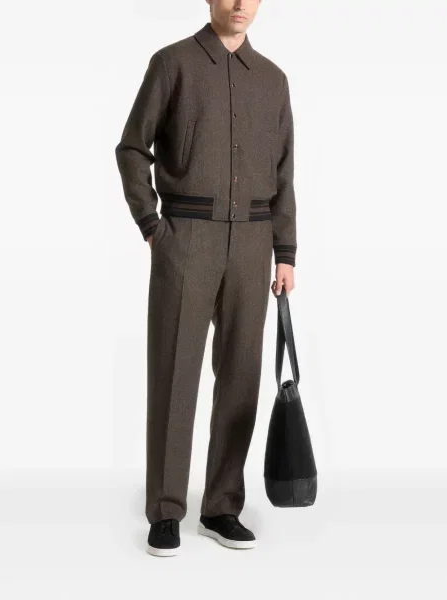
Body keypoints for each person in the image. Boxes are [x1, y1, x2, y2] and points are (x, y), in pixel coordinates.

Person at [115, 0, 296, 557]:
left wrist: (285, 252)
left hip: (254, 242)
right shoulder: (171, 64)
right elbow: (132, 148)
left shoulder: (273, 80)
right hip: (185, 238)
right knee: (174, 373)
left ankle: (221, 507)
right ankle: (166, 510)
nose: (240, 4)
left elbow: (285, 171)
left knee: (241, 375)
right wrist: (153, 227)